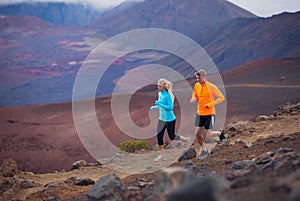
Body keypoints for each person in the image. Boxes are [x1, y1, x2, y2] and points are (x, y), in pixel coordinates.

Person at [150, 78, 190, 161]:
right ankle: (162, 155)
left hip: (170, 119)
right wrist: (155, 107)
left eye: (160, 86)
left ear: (164, 87)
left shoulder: (167, 95)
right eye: (158, 86)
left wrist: (159, 103)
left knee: (172, 136)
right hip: (162, 118)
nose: (158, 87)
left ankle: (186, 140)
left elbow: (170, 108)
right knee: (159, 135)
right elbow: (161, 104)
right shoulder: (160, 94)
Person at [190, 69, 225, 160]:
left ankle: (220, 133)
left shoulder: (211, 87)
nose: (198, 80)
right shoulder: (197, 85)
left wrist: (209, 104)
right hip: (199, 113)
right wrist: (193, 98)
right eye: (197, 78)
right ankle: (204, 149)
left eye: (199, 78)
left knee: (207, 135)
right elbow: (195, 94)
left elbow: (221, 98)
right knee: (197, 133)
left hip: (209, 113)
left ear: (204, 77)